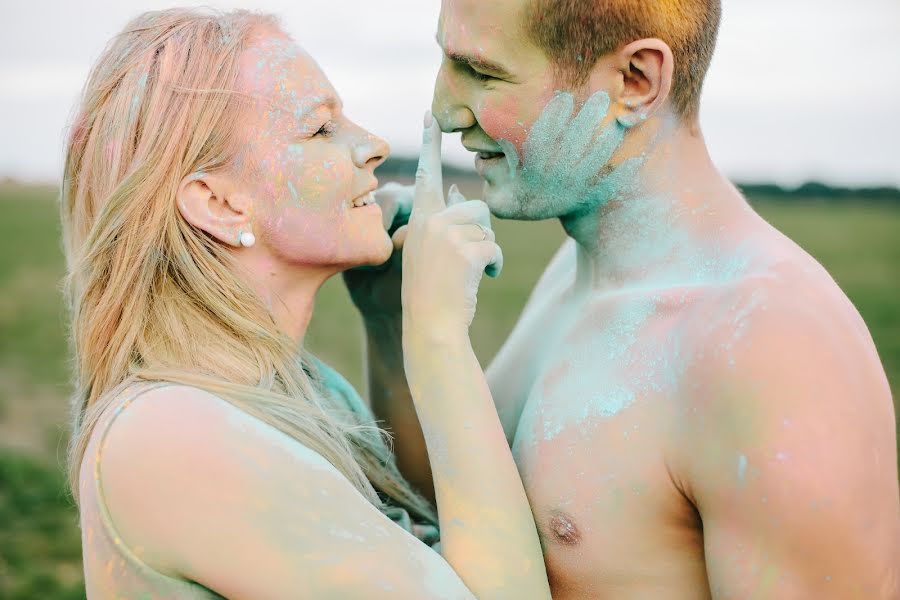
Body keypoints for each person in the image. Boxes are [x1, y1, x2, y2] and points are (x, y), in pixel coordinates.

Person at [363, 0, 900, 597]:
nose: (443, 109)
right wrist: (391, 318)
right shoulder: (577, 267)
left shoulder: (773, 352)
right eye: (444, 56)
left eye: (483, 72)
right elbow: (463, 505)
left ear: (635, 81)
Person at [61, 8, 551, 599]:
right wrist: (438, 337)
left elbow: (437, 535)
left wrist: (390, 322)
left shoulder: (303, 391)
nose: (371, 146)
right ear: (219, 204)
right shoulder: (168, 438)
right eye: (320, 130)